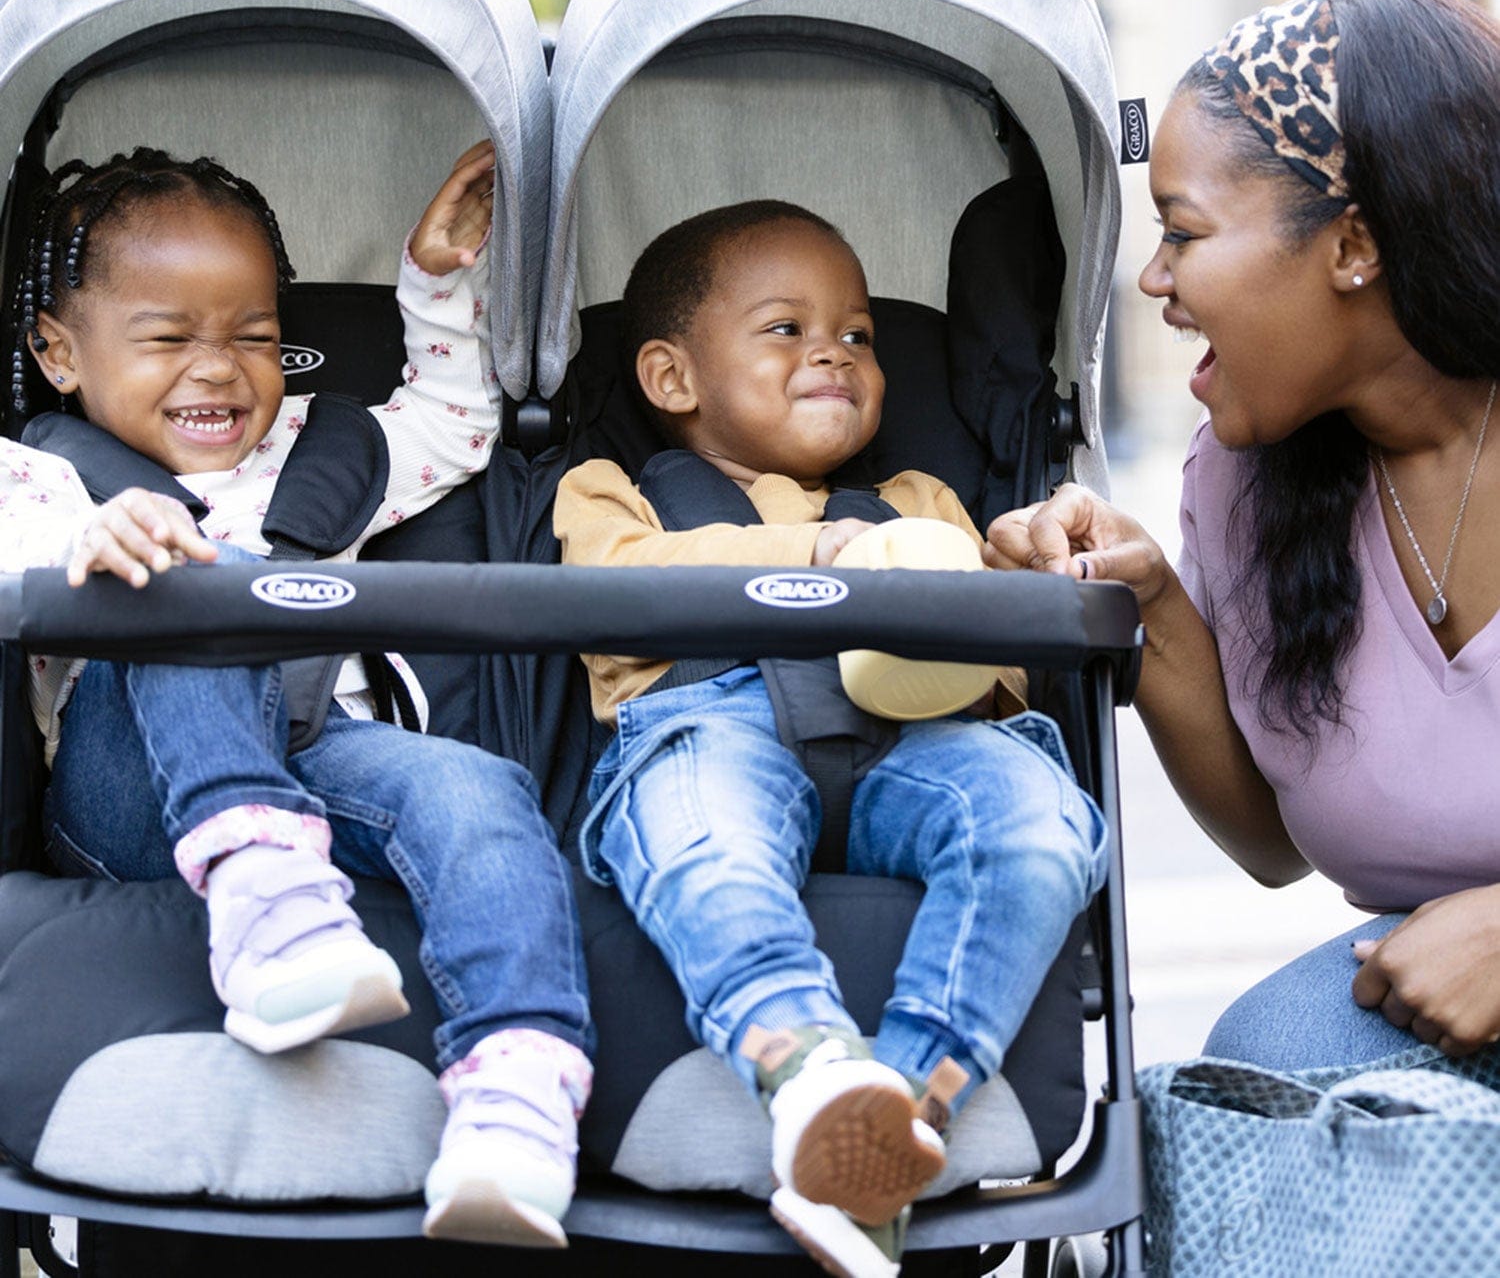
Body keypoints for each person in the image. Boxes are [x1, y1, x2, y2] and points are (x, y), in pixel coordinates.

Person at [0, 144, 593, 1248]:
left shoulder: (319, 455)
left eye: (256, 338)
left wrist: (430, 283)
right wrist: (93, 539)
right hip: (134, 792)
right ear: (59, 352)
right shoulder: (34, 479)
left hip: (320, 759)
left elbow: (456, 420)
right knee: (191, 578)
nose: (219, 370)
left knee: (478, 790)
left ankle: (519, 1094)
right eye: (170, 339)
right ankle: (267, 905)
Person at [553, 200, 1107, 1278]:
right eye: (787, 331)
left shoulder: (921, 500)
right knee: (697, 841)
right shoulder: (614, 493)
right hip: (716, 729)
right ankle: (800, 1055)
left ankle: (903, 1115)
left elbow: (1003, 672)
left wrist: (1003, 590)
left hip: (923, 741)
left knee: (1045, 826)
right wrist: (821, 552)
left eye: (858, 335)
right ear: (673, 379)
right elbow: (613, 594)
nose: (835, 355)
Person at [988, 0, 1500, 1072]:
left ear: (1353, 243)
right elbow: (1275, 845)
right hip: (1419, 1017)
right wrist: (1149, 607)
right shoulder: (1243, 482)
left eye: (1183, 232)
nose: (1153, 279)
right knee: (1239, 1083)